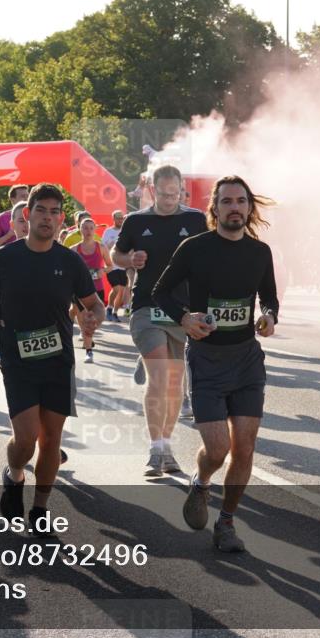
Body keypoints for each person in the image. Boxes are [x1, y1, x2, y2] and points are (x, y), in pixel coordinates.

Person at [153, 175, 278, 553]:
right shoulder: (195, 249)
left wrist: (269, 317)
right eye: (227, 201)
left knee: (245, 447)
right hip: (207, 359)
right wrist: (185, 318)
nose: (235, 208)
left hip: (246, 359)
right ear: (215, 208)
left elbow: (270, 299)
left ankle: (226, 522)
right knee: (218, 450)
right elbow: (161, 291)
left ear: (249, 208)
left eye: (241, 201)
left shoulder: (260, 252)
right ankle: (202, 482)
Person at [0, 183, 104, 535]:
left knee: (52, 441)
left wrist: (94, 318)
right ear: (27, 214)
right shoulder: (4, 258)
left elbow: (94, 304)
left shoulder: (69, 260)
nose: (48, 218)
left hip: (58, 359)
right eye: (41, 211)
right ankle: (14, 475)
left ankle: (40, 510)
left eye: (54, 212)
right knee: (27, 439)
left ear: (62, 220)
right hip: (17, 358)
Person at [112, 164, 208, 476]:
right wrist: (129, 260)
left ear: (182, 190)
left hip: (181, 310)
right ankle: (155, 450)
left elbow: (211, 256)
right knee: (160, 376)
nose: (169, 199)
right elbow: (116, 253)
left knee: (175, 384)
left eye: (175, 193)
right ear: (152, 190)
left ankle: (167, 445)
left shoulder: (194, 219)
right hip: (146, 306)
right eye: (163, 194)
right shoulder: (136, 221)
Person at [71, 218, 113, 363]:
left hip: (97, 289)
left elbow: (110, 265)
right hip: (80, 291)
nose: (88, 231)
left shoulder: (100, 247)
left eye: (91, 228)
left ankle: (88, 336)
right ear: (79, 229)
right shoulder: (74, 250)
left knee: (94, 319)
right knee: (84, 318)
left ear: (94, 230)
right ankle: (89, 351)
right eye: (85, 228)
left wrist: (103, 271)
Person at [101, 209, 128, 322]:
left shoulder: (126, 231)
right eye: (118, 218)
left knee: (121, 291)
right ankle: (109, 308)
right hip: (112, 265)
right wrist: (110, 245)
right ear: (113, 219)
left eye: (121, 218)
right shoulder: (108, 231)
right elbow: (103, 246)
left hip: (123, 266)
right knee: (116, 289)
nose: (120, 220)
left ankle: (115, 312)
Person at [0, 184, 30, 250]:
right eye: (23, 196)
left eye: (28, 196)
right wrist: (8, 235)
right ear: (13, 200)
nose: (26, 199)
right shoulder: (2, 218)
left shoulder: (37, 215)